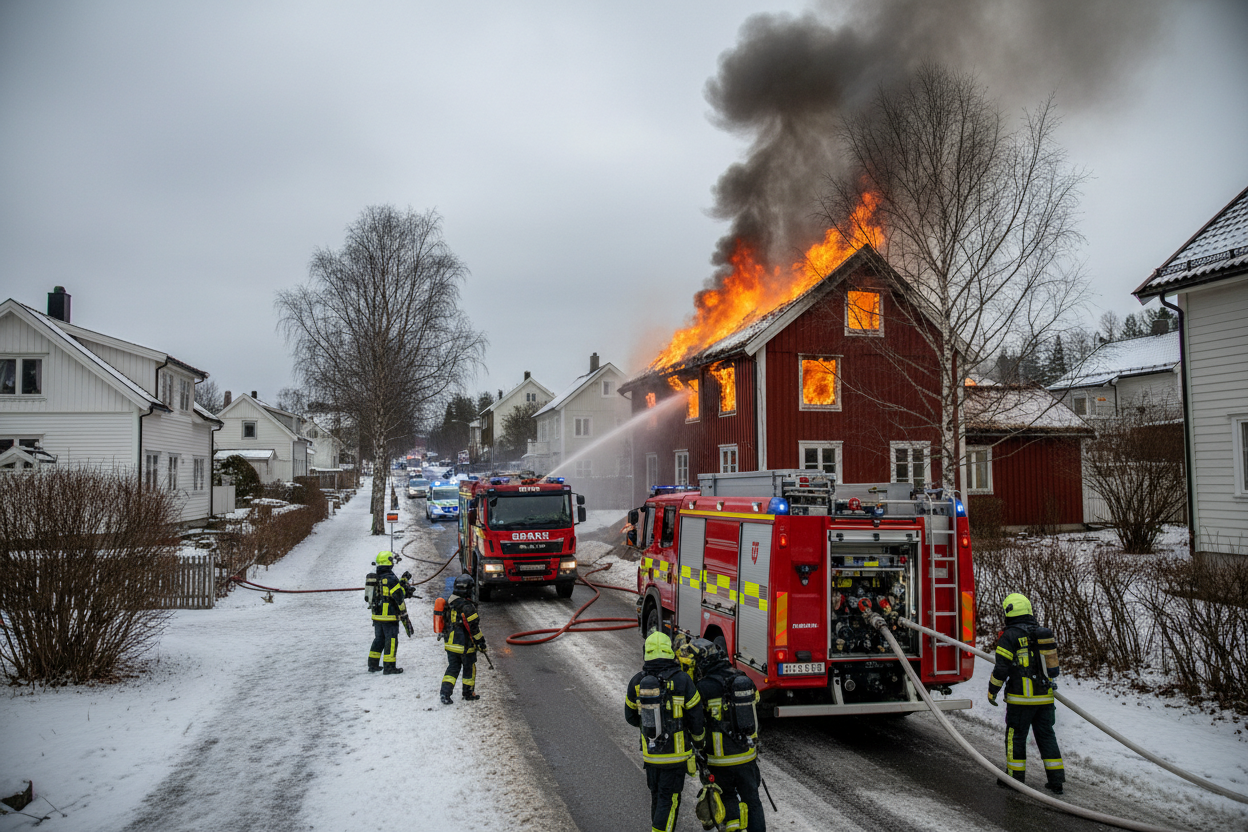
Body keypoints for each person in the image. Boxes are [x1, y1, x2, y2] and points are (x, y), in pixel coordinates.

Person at [625, 631, 705, 832]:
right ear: (670, 652)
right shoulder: (683, 680)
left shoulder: (637, 682)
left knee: (658, 797)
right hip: (676, 757)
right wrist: (698, 741)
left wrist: (648, 728)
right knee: (669, 801)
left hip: (651, 755)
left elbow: (630, 717)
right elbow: (696, 716)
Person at [683, 638, 766, 832]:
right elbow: (756, 705)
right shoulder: (741, 679)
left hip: (720, 762)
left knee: (728, 797)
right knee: (752, 801)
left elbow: (696, 723)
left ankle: (734, 829)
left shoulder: (703, 688)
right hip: (747, 757)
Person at [988, 592, 1065, 793]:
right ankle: (1056, 781)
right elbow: (1052, 669)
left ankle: (1015, 779)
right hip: (1045, 699)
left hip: (1020, 700)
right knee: (1047, 736)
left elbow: (1001, 669)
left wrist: (992, 690)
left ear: (1008, 612)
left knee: (1016, 737)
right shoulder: (1042, 633)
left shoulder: (1009, 637)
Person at [440, 573, 487, 704]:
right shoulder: (468, 607)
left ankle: (445, 694)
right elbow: (474, 629)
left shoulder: (450, 601)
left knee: (452, 669)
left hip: (450, 644)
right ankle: (468, 693)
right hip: (465, 646)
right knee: (469, 668)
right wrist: (481, 643)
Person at [368, 551, 409, 675]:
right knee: (391, 640)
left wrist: (401, 582)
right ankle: (389, 667)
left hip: (377, 615)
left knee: (379, 639)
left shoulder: (376, 577)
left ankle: (373, 665)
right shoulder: (390, 578)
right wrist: (404, 584)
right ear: (389, 562)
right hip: (389, 616)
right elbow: (399, 595)